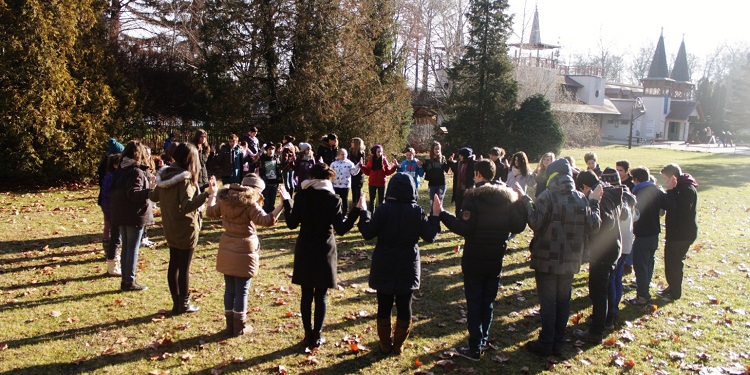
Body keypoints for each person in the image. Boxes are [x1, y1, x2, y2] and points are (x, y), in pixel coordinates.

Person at [435, 159, 527, 361]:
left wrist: (442, 214)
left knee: (475, 301)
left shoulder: (472, 197)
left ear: (477, 174)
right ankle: (482, 339)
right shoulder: (506, 198)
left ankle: (475, 345)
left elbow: (465, 228)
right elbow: (519, 226)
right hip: (495, 256)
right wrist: (520, 203)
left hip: (475, 257)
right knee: (487, 300)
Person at [520, 158, 602, 356]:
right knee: (563, 300)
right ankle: (558, 341)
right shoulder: (581, 198)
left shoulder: (546, 196)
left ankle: (547, 341)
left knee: (548, 302)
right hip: (571, 259)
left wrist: (524, 200)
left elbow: (535, 223)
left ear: (552, 176)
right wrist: (593, 203)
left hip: (546, 258)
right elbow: (594, 227)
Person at [358, 173, 440, 355]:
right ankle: (397, 344)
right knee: (405, 304)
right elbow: (430, 236)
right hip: (407, 262)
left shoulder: (383, 209)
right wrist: (435, 215)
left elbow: (368, 232)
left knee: (384, 303)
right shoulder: (416, 210)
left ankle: (386, 344)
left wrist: (364, 212)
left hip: (384, 260)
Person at [280, 163, 360, 349]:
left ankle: (308, 334)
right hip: (324, 249)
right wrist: (357, 209)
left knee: (306, 294)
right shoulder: (333, 199)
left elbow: (291, 223)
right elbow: (341, 229)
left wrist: (286, 201)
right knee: (321, 295)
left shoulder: (302, 195)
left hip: (306, 247)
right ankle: (317, 335)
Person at [206, 173, 284, 336]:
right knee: (242, 290)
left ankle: (229, 326)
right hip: (245, 248)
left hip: (227, 245)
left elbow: (210, 212)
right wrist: (282, 205)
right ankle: (239, 326)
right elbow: (267, 220)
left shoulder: (225, 198)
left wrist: (212, 193)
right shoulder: (250, 203)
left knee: (230, 288)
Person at [150, 143, 211, 314]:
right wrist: (207, 195)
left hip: (170, 225)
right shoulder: (184, 179)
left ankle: (176, 303)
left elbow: (153, 195)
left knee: (174, 265)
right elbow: (187, 206)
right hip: (185, 228)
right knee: (183, 267)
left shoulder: (164, 175)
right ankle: (183, 304)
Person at [573, 170, 623, 344]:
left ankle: (596, 332)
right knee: (606, 288)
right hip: (613, 248)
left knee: (598, 292)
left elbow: (602, 224)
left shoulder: (599, 198)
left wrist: (592, 204)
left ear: (585, 187)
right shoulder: (609, 192)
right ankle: (607, 321)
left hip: (603, 252)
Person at [110, 140, 155, 291]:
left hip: (121, 213)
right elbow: (133, 194)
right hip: (134, 214)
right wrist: (150, 191)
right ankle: (129, 281)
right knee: (132, 249)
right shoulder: (135, 171)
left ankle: (126, 280)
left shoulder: (121, 170)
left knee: (126, 248)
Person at [601, 168, 638, 329]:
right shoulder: (628, 195)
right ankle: (613, 309)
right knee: (617, 278)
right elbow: (636, 215)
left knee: (611, 280)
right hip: (626, 244)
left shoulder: (615, 198)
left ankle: (611, 311)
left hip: (618, 245)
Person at [626, 167, 668, 306]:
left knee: (640, 265)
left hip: (642, 234)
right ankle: (645, 290)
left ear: (636, 180)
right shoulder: (656, 191)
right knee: (649, 263)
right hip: (654, 233)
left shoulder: (637, 193)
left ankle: (642, 296)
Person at [658, 164, 698, 301]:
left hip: (682, 234)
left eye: (666, 178)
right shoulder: (679, 188)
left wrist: (669, 191)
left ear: (673, 178)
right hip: (675, 233)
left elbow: (678, 209)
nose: (665, 181)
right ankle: (672, 286)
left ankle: (675, 292)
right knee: (670, 262)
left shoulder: (686, 189)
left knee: (675, 263)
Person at [98, 138, 124, 253]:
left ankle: (109, 249)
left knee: (108, 225)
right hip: (110, 201)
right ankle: (110, 250)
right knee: (110, 226)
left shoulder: (105, 166)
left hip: (105, 200)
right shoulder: (110, 173)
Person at [101, 153, 122, 276]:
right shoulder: (113, 178)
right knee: (113, 233)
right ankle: (111, 256)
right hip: (112, 208)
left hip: (108, 207)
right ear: (115, 165)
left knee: (109, 230)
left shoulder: (108, 177)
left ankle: (110, 254)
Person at [360, 145, 397, 210]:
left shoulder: (384, 160)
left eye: (381, 152)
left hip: (382, 183)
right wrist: (361, 166)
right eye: (378, 152)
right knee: (372, 200)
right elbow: (368, 172)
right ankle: (371, 215)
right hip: (372, 183)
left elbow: (387, 172)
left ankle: (381, 214)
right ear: (375, 152)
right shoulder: (371, 160)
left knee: (381, 200)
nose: (380, 153)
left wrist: (395, 167)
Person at [423, 142, 450, 215]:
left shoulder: (442, 158)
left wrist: (449, 161)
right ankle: (432, 216)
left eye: (439, 149)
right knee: (432, 201)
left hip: (441, 183)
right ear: (432, 150)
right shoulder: (428, 159)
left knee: (439, 201)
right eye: (435, 149)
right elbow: (425, 170)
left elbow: (446, 169)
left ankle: (440, 217)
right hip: (432, 184)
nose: (437, 150)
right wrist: (422, 165)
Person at [330, 149, 361, 214]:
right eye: (342, 154)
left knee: (344, 199)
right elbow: (330, 173)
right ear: (338, 155)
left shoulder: (349, 163)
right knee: (336, 199)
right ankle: (336, 212)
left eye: (345, 154)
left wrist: (358, 165)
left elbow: (354, 172)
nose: (344, 156)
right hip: (336, 184)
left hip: (345, 185)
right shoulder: (334, 164)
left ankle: (344, 213)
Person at [447, 147, 476, 217]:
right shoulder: (458, 163)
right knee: (458, 207)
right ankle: (457, 221)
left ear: (465, 156)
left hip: (467, 189)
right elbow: (455, 171)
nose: (459, 157)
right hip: (458, 189)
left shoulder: (472, 163)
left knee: (466, 208)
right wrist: (450, 162)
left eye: (461, 155)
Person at [258, 144, 282, 213]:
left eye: (272, 149)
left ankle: (272, 214)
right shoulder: (263, 159)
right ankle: (265, 214)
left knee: (272, 200)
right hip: (266, 182)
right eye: (269, 149)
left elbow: (280, 169)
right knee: (266, 200)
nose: (271, 151)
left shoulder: (276, 158)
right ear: (266, 150)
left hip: (274, 182)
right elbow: (258, 167)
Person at [348, 137, 367, 211]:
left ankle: (359, 206)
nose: (351, 144)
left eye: (352, 142)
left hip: (359, 174)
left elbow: (362, 163)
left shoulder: (362, 152)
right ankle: (354, 206)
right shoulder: (350, 151)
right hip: (352, 173)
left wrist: (358, 165)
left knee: (358, 190)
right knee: (353, 190)